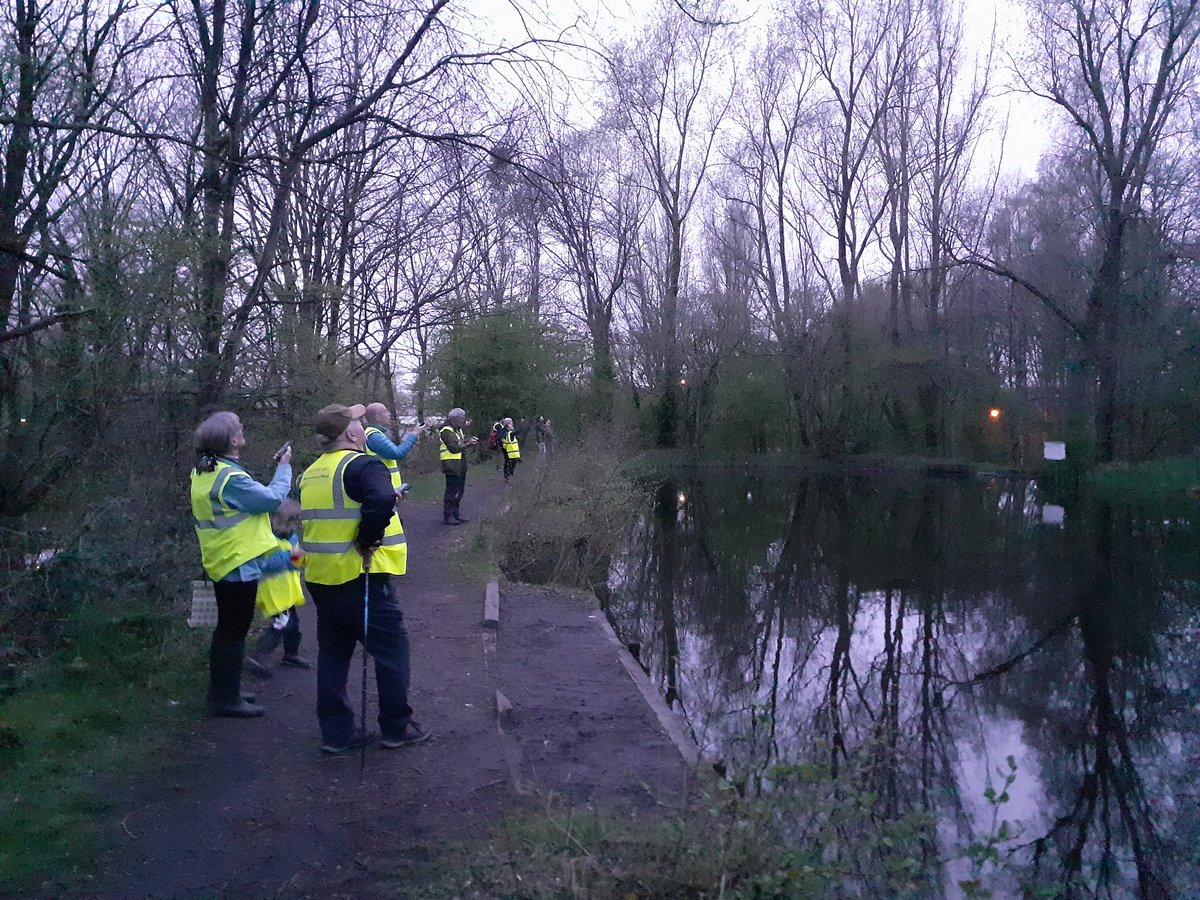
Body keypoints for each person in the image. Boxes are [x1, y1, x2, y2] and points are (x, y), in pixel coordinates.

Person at [299, 403, 430, 754]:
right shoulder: (363, 464)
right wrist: (368, 538)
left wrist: (380, 507)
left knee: (333, 654)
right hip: (361, 575)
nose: (362, 427)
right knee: (391, 651)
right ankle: (396, 727)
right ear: (351, 433)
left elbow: (342, 510)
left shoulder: (311, 472)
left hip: (322, 578)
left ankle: (337, 733)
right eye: (358, 422)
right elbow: (381, 497)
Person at [189, 411, 296, 717]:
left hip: (223, 559)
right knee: (234, 632)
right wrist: (284, 467)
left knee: (226, 630)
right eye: (239, 429)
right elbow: (272, 499)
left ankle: (225, 691)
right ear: (232, 440)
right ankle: (225, 699)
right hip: (237, 563)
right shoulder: (230, 477)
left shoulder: (206, 471)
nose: (242, 431)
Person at [245, 498, 311, 679]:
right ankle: (258, 655)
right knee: (281, 624)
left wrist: (299, 558)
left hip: (287, 591)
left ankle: (291, 653)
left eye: (290, 524)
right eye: (282, 523)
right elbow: (266, 564)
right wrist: (289, 556)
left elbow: (295, 563)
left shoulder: (292, 538)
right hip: (272, 592)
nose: (286, 528)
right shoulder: (265, 540)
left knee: (293, 624)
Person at [363, 402, 419, 494]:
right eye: (385, 412)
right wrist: (413, 435)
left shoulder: (375, 434)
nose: (389, 414)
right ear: (377, 417)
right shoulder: (374, 436)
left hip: (385, 488)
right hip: (383, 489)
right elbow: (397, 453)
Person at [438, 407, 478, 525]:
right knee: (452, 490)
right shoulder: (446, 431)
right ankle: (448, 516)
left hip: (459, 463)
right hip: (451, 464)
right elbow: (454, 448)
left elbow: (458, 443)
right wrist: (468, 444)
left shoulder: (457, 430)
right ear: (454, 418)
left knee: (459, 490)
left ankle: (456, 514)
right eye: (462, 418)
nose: (463, 421)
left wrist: (468, 441)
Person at [500, 416, 521, 481]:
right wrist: (522, 423)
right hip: (510, 451)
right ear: (508, 424)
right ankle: (507, 475)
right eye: (511, 423)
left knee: (509, 463)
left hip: (510, 451)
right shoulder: (507, 433)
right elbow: (518, 431)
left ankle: (508, 475)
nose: (512, 424)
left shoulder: (506, 432)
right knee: (509, 463)